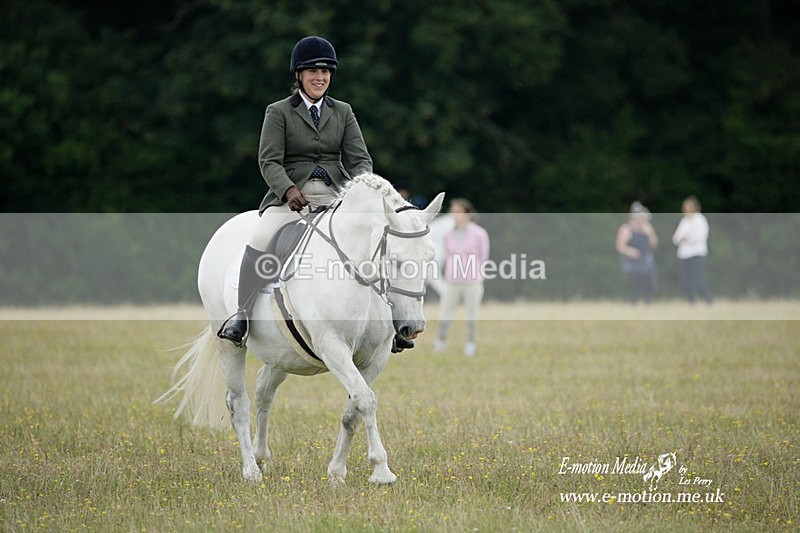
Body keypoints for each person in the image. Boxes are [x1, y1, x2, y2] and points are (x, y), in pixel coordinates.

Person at [217, 36, 377, 346]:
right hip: (292, 197)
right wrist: (288, 190)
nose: (320, 77)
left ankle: (392, 323)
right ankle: (242, 314)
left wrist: (364, 192)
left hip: (335, 194)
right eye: (313, 71)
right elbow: (269, 160)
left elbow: (360, 160)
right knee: (262, 237)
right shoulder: (278, 112)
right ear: (299, 76)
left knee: (374, 240)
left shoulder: (342, 111)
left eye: (326, 71)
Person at [434, 198, 490, 357]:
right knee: (445, 314)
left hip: (472, 282)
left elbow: (483, 257)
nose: (455, 215)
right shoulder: (447, 235)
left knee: (472, 316)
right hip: (452, 282)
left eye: (458, 211)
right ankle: (440, 344)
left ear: (467, 214)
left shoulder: (479, 234)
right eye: (453, 211)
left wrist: (477, 275)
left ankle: (470, 346)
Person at [672, 195, 713, 304]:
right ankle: (691, 302)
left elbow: (699, 237)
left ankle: (709, 301)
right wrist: (684, 239)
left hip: (697, 253)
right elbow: (676, 238)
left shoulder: (700, 220)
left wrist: (686, 239)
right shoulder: (684, 222)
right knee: (686, 281)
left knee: (699, 280)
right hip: (684, 254)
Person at [615, 201, 659, 304]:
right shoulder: (626, 228)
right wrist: (630, 251)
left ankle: (648, 305)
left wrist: (650, 233)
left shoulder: (647, 228)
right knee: (634, 285)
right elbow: (620, 245)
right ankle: (632, 305)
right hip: (632, 262)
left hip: (646, 261)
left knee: (648, 284)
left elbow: (654, 244)